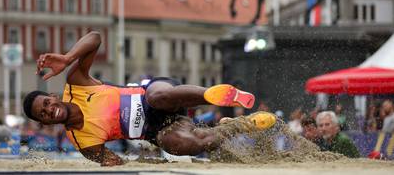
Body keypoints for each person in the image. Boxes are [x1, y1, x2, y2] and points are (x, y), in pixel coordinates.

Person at [23, 31, 277, 166]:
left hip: (153, 95)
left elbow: (95, 38)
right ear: (44, 123)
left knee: (158, 97)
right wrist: (126, 162)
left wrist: (68, 59)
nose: (49, 110)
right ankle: (239, 126)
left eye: (46, 103)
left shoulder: (75, 83)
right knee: (185, 143)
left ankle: (211, 96)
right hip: (157, 130)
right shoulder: (82, 142)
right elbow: (116, 163)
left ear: (53, 96)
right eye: (42, 114)